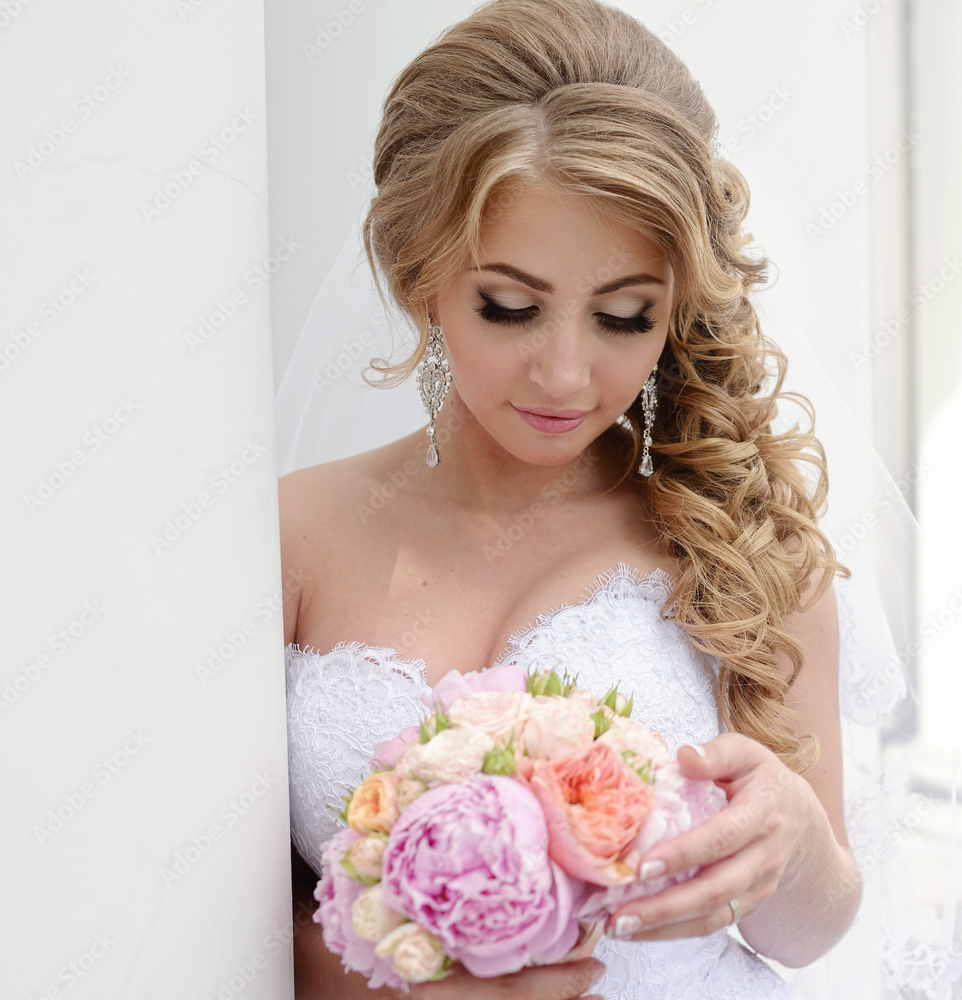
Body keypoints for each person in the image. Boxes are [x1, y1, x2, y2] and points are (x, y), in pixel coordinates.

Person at [278, 2, 959, 998]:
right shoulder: (292, 538)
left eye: (623, 315)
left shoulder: (739, 539)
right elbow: (216, 905)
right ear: (418, 273)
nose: (565, 373)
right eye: (509, 306)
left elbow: (810, 933)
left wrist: (796, 844)